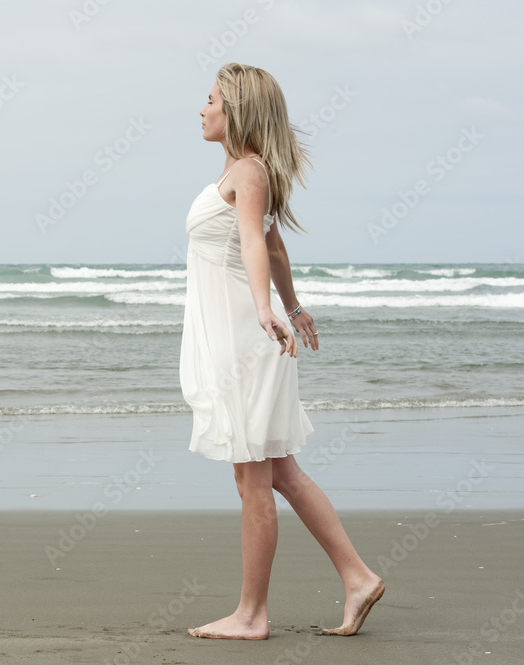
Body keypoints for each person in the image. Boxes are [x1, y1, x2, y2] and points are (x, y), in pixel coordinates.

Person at [179, 63, 384, 640]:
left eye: (211, 98)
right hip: (249, 332)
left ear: (235, 108)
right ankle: (358, 577)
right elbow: (273, 244)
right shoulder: (247, 172)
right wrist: (291, 306)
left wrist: (268, 309)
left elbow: (252, 241)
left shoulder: (248, 171)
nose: (202, 107)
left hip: (246, 338)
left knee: (254, 479)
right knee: (281, 473)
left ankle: (252, 615)